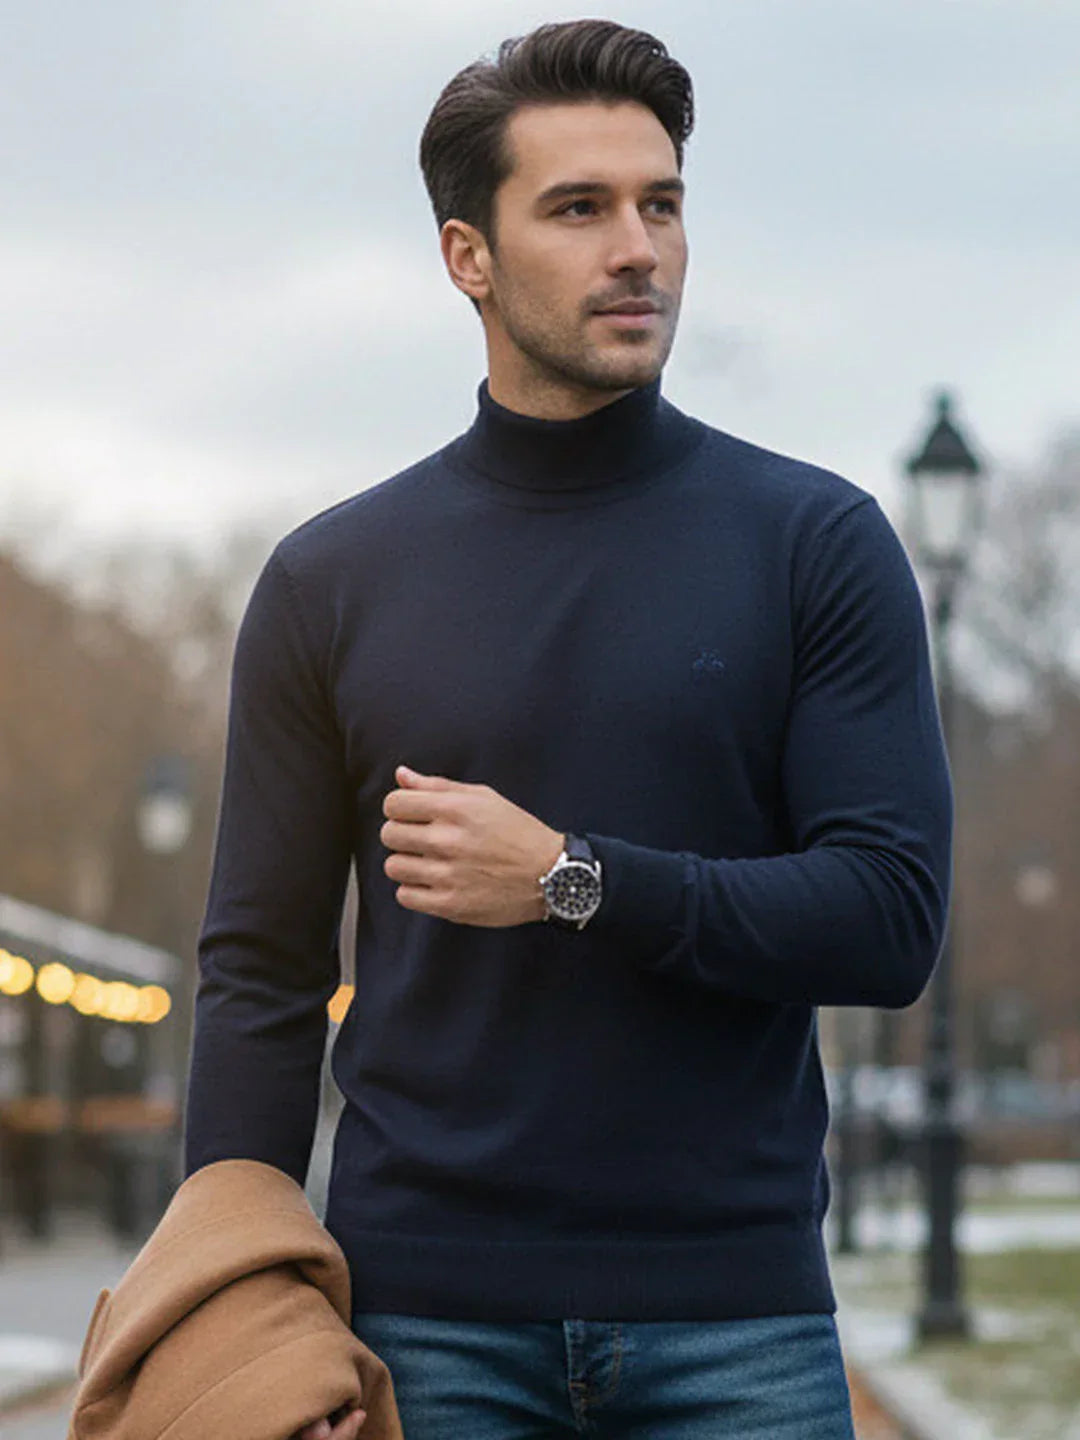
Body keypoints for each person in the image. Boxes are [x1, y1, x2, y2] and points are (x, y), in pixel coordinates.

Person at [183, 18, 952, 1439]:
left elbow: (889, 921)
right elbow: (262, 978)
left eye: (660, 204)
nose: (638, 250)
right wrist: (245, 1312)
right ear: (468, 256)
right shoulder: (332, 581)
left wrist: (570, 880)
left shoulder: (816, 544)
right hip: (424, 1323)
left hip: (740, 1328)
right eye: (580, 208)